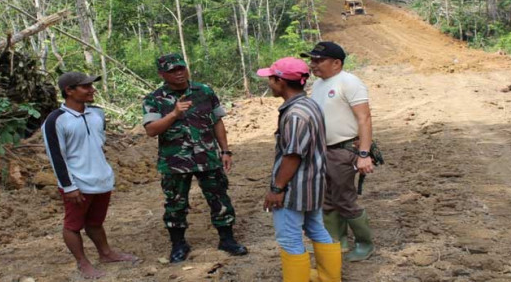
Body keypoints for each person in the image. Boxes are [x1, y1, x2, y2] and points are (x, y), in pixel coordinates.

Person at [142, 53, 248, 263]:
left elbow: (217, 121)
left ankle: (227, 239)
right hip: (175, 162)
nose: (179, 73)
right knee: (175, 203)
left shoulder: (204, 91)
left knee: (219, 197)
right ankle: (179, 244)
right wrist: (173, 114)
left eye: (181, 68)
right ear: (162, 74)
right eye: (172, 70)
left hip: (207, 156)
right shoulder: (154, 98)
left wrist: (225, 151)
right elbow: (151, 130)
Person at [42, 72, 137, 279]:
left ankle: (106, 253)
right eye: (86, 86)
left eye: (91, 86)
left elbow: (97, 144)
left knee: (95, 222)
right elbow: (56, 156)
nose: (92, 90)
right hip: (78, 183)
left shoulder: (97, 114)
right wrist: (69, 186)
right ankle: (83, 262)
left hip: (101, 179)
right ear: (69, 91)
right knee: (73, 225)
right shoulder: (55, 120)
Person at [256, 57, 341, 282]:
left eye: (271, 79)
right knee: (316, 228)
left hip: (294, 188)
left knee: (289, 239)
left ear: (281, 81)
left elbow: (292, 155)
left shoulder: (295, 115)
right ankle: (329, 277)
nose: (269, 83)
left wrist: (276, 188)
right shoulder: (310, 105)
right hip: (313, 184)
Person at [301, 41, 376, 262]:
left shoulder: (349, 82)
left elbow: (365, 118)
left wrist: (364, 154)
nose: (313, 64)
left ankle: (364, 243)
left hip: (343, 150)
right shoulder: (319, 85)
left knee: (344, 198)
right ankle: (336, 240)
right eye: (312, 60)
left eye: (318, 60)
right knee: (326, 199)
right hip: (322, 151)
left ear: (336, 63)